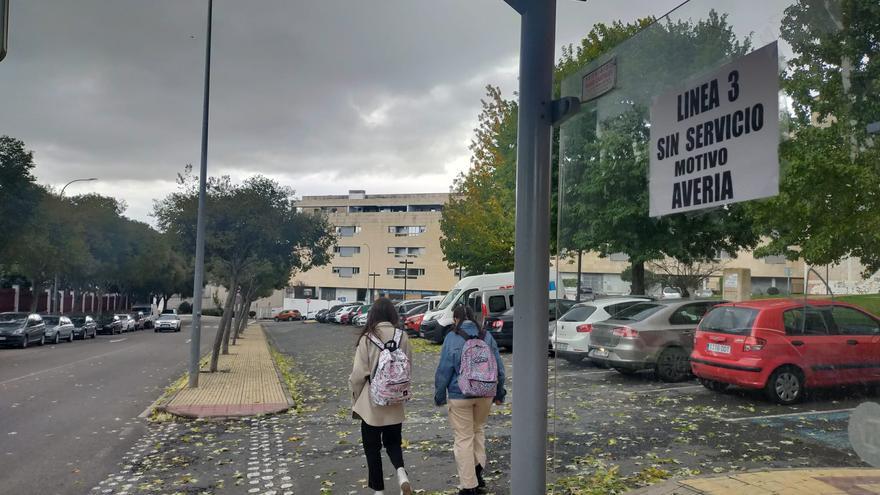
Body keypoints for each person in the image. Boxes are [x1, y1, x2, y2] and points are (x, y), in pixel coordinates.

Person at [434, 305, 506, 495]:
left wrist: (440, 395)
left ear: (456, 319)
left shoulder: (451, 337)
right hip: (485, 393)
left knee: (464, 438)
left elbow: (444, 370)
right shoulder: (486, 336)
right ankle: (477, 472)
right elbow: (499, 368)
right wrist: (499, 393)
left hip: (460, 395)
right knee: (478, 430)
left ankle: (468, 486)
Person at [350, 297, 414, 495]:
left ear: (373, 315)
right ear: (392, 315)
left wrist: (355, 399)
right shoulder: (402, 336)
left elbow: (358, 375)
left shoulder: (367, 338)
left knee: (372, 447)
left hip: (372, 402)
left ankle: (378, 490)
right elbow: (408, 366)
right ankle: (401, 473)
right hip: (395, 400)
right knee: (393, 442)